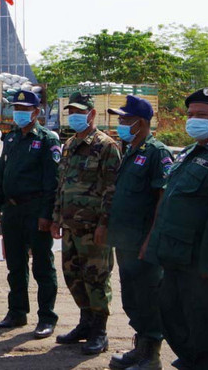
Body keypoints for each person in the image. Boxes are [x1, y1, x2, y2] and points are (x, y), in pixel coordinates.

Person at [145, 88, 208, 370]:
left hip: (203, 267)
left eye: (202, 115)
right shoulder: (190, 152)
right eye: (190, 115)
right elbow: (170, 203)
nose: (193, 120)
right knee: (174, 321)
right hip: (175, 258)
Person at [51, 91, 121, 355]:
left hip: (94, 229)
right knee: (73, 277)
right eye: (72, 112)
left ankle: (99, 331)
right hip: (70, 227)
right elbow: (62, 185)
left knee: (97, 279)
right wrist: (56, 218)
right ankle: (85, 322)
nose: (75, 117)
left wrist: (105, 224)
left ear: (92, 114)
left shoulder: (106, 146)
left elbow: (112, 189)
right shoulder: (69, 145)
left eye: (80, 112)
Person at [105, 95, 171, 369]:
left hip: (143, 243)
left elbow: (162, 200)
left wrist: (151, 241)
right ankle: (140, 348)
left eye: (125, 119)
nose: (120, 124)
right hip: (126, 243)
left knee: (148, 298)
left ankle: (151, 355)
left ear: (141, 123)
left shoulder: (157, 152)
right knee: (132, 297)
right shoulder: (131, 150)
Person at [0, 89, 61, 339]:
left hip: (35, 209)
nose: (18, 112)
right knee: (15, 265)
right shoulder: (10, 138)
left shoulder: (47, 139)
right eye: (16, 108)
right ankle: (17, 311)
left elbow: (52, 181)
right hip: (12, 210)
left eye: (24, 109)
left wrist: (47, 214)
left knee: (42, 265)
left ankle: (46, 317)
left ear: (36, 112)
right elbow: (4, 175)